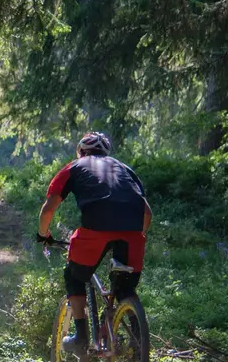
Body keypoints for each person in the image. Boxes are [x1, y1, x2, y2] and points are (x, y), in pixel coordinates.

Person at [35, 131, 152, 348]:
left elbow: (49, 208)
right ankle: (137, 344)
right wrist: (137, 235)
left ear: (80, 151)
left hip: (95, 228)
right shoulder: (125, 169)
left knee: (74, 276)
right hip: (133, 232)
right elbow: (147, 213)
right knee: (125, 289)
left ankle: (80, 338)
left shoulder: (73, 167)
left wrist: (43, 234)